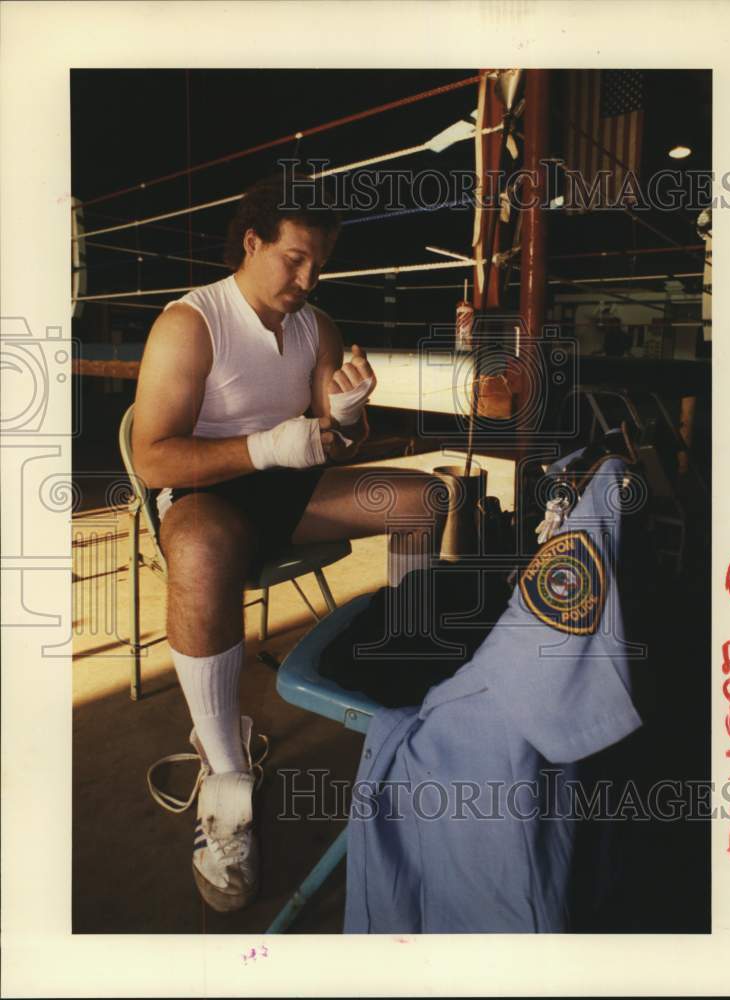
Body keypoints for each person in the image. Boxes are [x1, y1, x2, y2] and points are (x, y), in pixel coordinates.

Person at [133, 175, 446, 912]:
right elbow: (151, 458)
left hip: (286, 486)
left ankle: (401, 684)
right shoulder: (192, 322)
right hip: (207, 491)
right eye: (295, 259)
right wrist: (270, 447)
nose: (308, 281)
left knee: (423, 498)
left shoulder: (315, 326)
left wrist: (346, 417)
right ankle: (226, 782)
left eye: (320, 264)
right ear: (253, 242)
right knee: (205, 548)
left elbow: (331, 446)